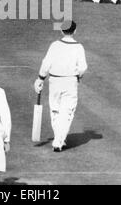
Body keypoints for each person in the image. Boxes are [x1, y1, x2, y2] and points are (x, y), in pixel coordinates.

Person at [34, 20, 88, 152]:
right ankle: (58, 141)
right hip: (70, 81)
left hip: (55, 81)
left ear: (61, 31)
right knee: (66, 112)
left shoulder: (54, 45)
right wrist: (79, 76)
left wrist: (40, 78)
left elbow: (46, 63)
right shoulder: (78, 47)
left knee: (56, 110)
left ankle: (59, 139)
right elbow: (83, 67)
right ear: (75, 31)